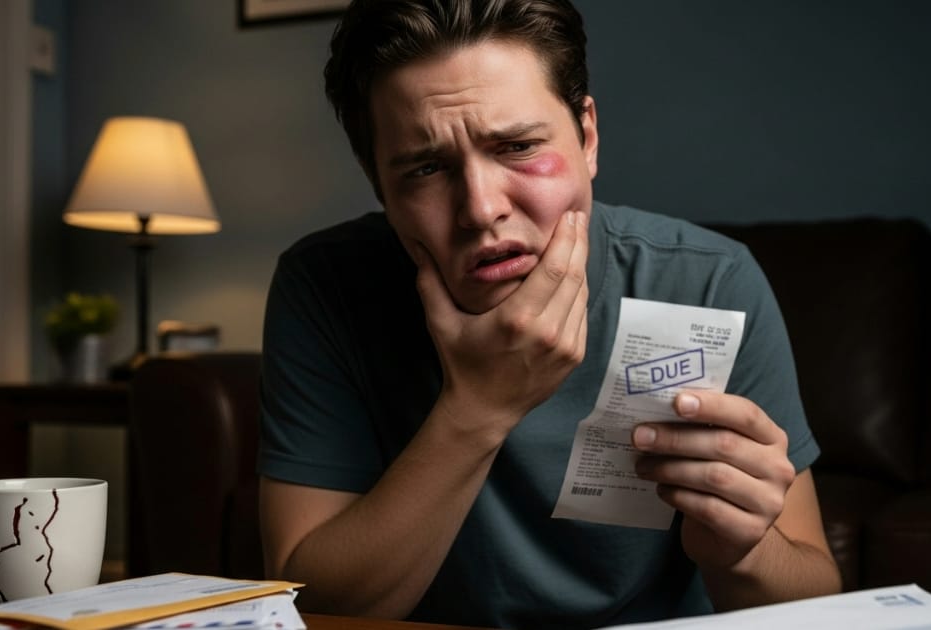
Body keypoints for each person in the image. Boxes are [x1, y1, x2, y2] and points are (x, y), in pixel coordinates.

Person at [257, 0, 841, 627]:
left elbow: (818, 603)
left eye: (517, 146)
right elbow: (306, 608)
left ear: (586, 136)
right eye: (426, 168)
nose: (480, 209)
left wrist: (742, 552)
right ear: (379, 185)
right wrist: (479, 408)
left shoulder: (708, 281)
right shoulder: (325, 287)